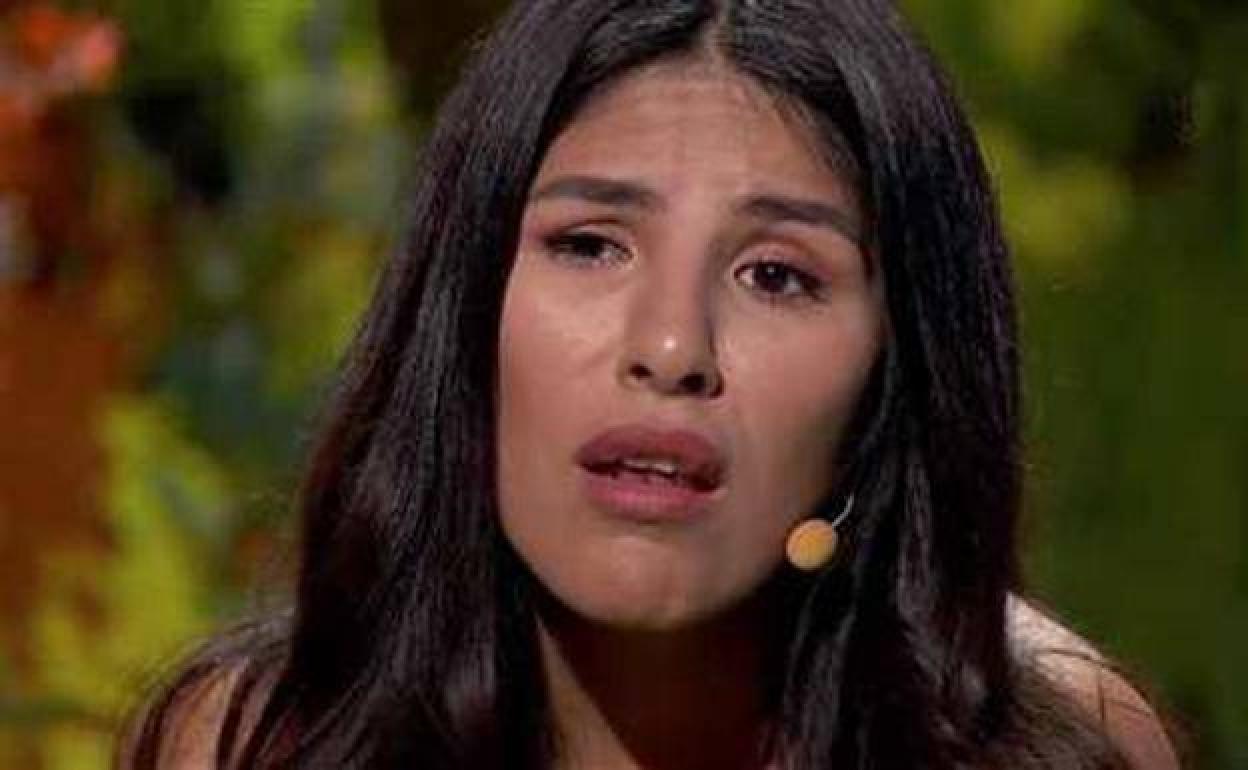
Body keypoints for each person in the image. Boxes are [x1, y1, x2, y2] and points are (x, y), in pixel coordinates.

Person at [119, 1, 1181, 768]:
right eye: (589, 244)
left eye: (777, 275)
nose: (671, 346)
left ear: (894, 374)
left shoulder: (1055, 744)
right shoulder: (257, 741)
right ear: (465, 301)